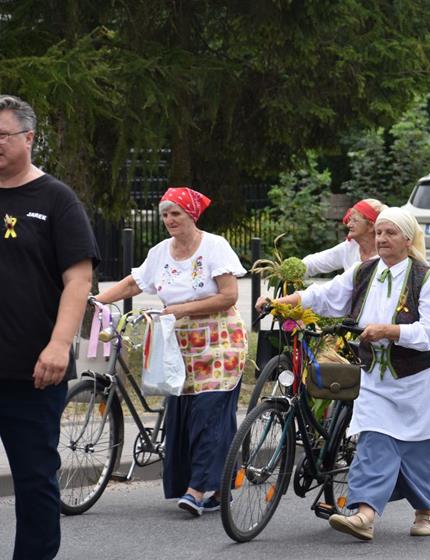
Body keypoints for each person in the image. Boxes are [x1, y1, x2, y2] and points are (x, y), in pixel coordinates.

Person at [269, 207, 430, 541]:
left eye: (390, 233)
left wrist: (389, 331)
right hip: (376, 374)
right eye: (379, 233)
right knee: (373, 437)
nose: (381, 239)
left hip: (417, 376)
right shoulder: (363, 271)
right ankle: (364, 515)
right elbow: (326, 295)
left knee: (416, 446)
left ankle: (425, 510)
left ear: (408, 240)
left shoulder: (426, 278)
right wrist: (288, 301)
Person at [96, 186, 248, 517]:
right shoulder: (161, 252)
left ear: (191, 215)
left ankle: (197, 489)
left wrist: (181, 309)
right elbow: (135, 283)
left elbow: (229, 296)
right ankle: (217, 487)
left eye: (175, 213)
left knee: (209, 412)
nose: (169, 220)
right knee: (183, 413)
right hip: (179, 344)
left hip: (220, 340)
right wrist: (96, 301)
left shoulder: (214, 247)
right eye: (165, 214)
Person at [0, 95, 99, 559]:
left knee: (35, 480)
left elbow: (78, 278)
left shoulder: (55, 199)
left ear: (28, 138)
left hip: (32, 373)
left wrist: (60, 345)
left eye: (2, 135)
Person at [302, 198, 385, 277]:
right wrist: (295, 267)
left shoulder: (387, 255)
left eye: (355, 220)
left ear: (371, 226)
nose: (348, 224)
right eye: (350, 219)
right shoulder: (350, 247)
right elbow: (315, 262)